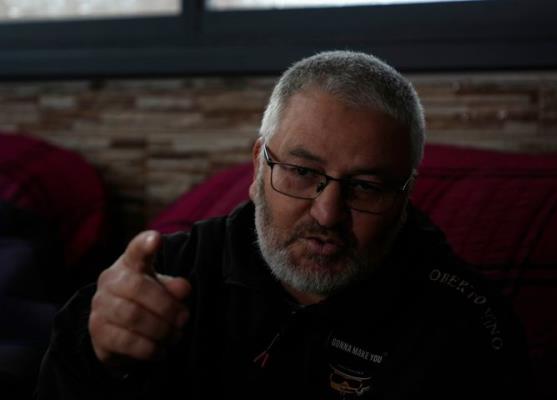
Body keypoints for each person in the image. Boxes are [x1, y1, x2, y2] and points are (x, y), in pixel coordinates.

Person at [35, 50, 530, 399]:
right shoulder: (168, 276)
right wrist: (97, 355)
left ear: (404, 196)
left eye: (366, 186)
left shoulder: (462, 325)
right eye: (300, 171)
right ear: (257, 167)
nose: (327, 213)